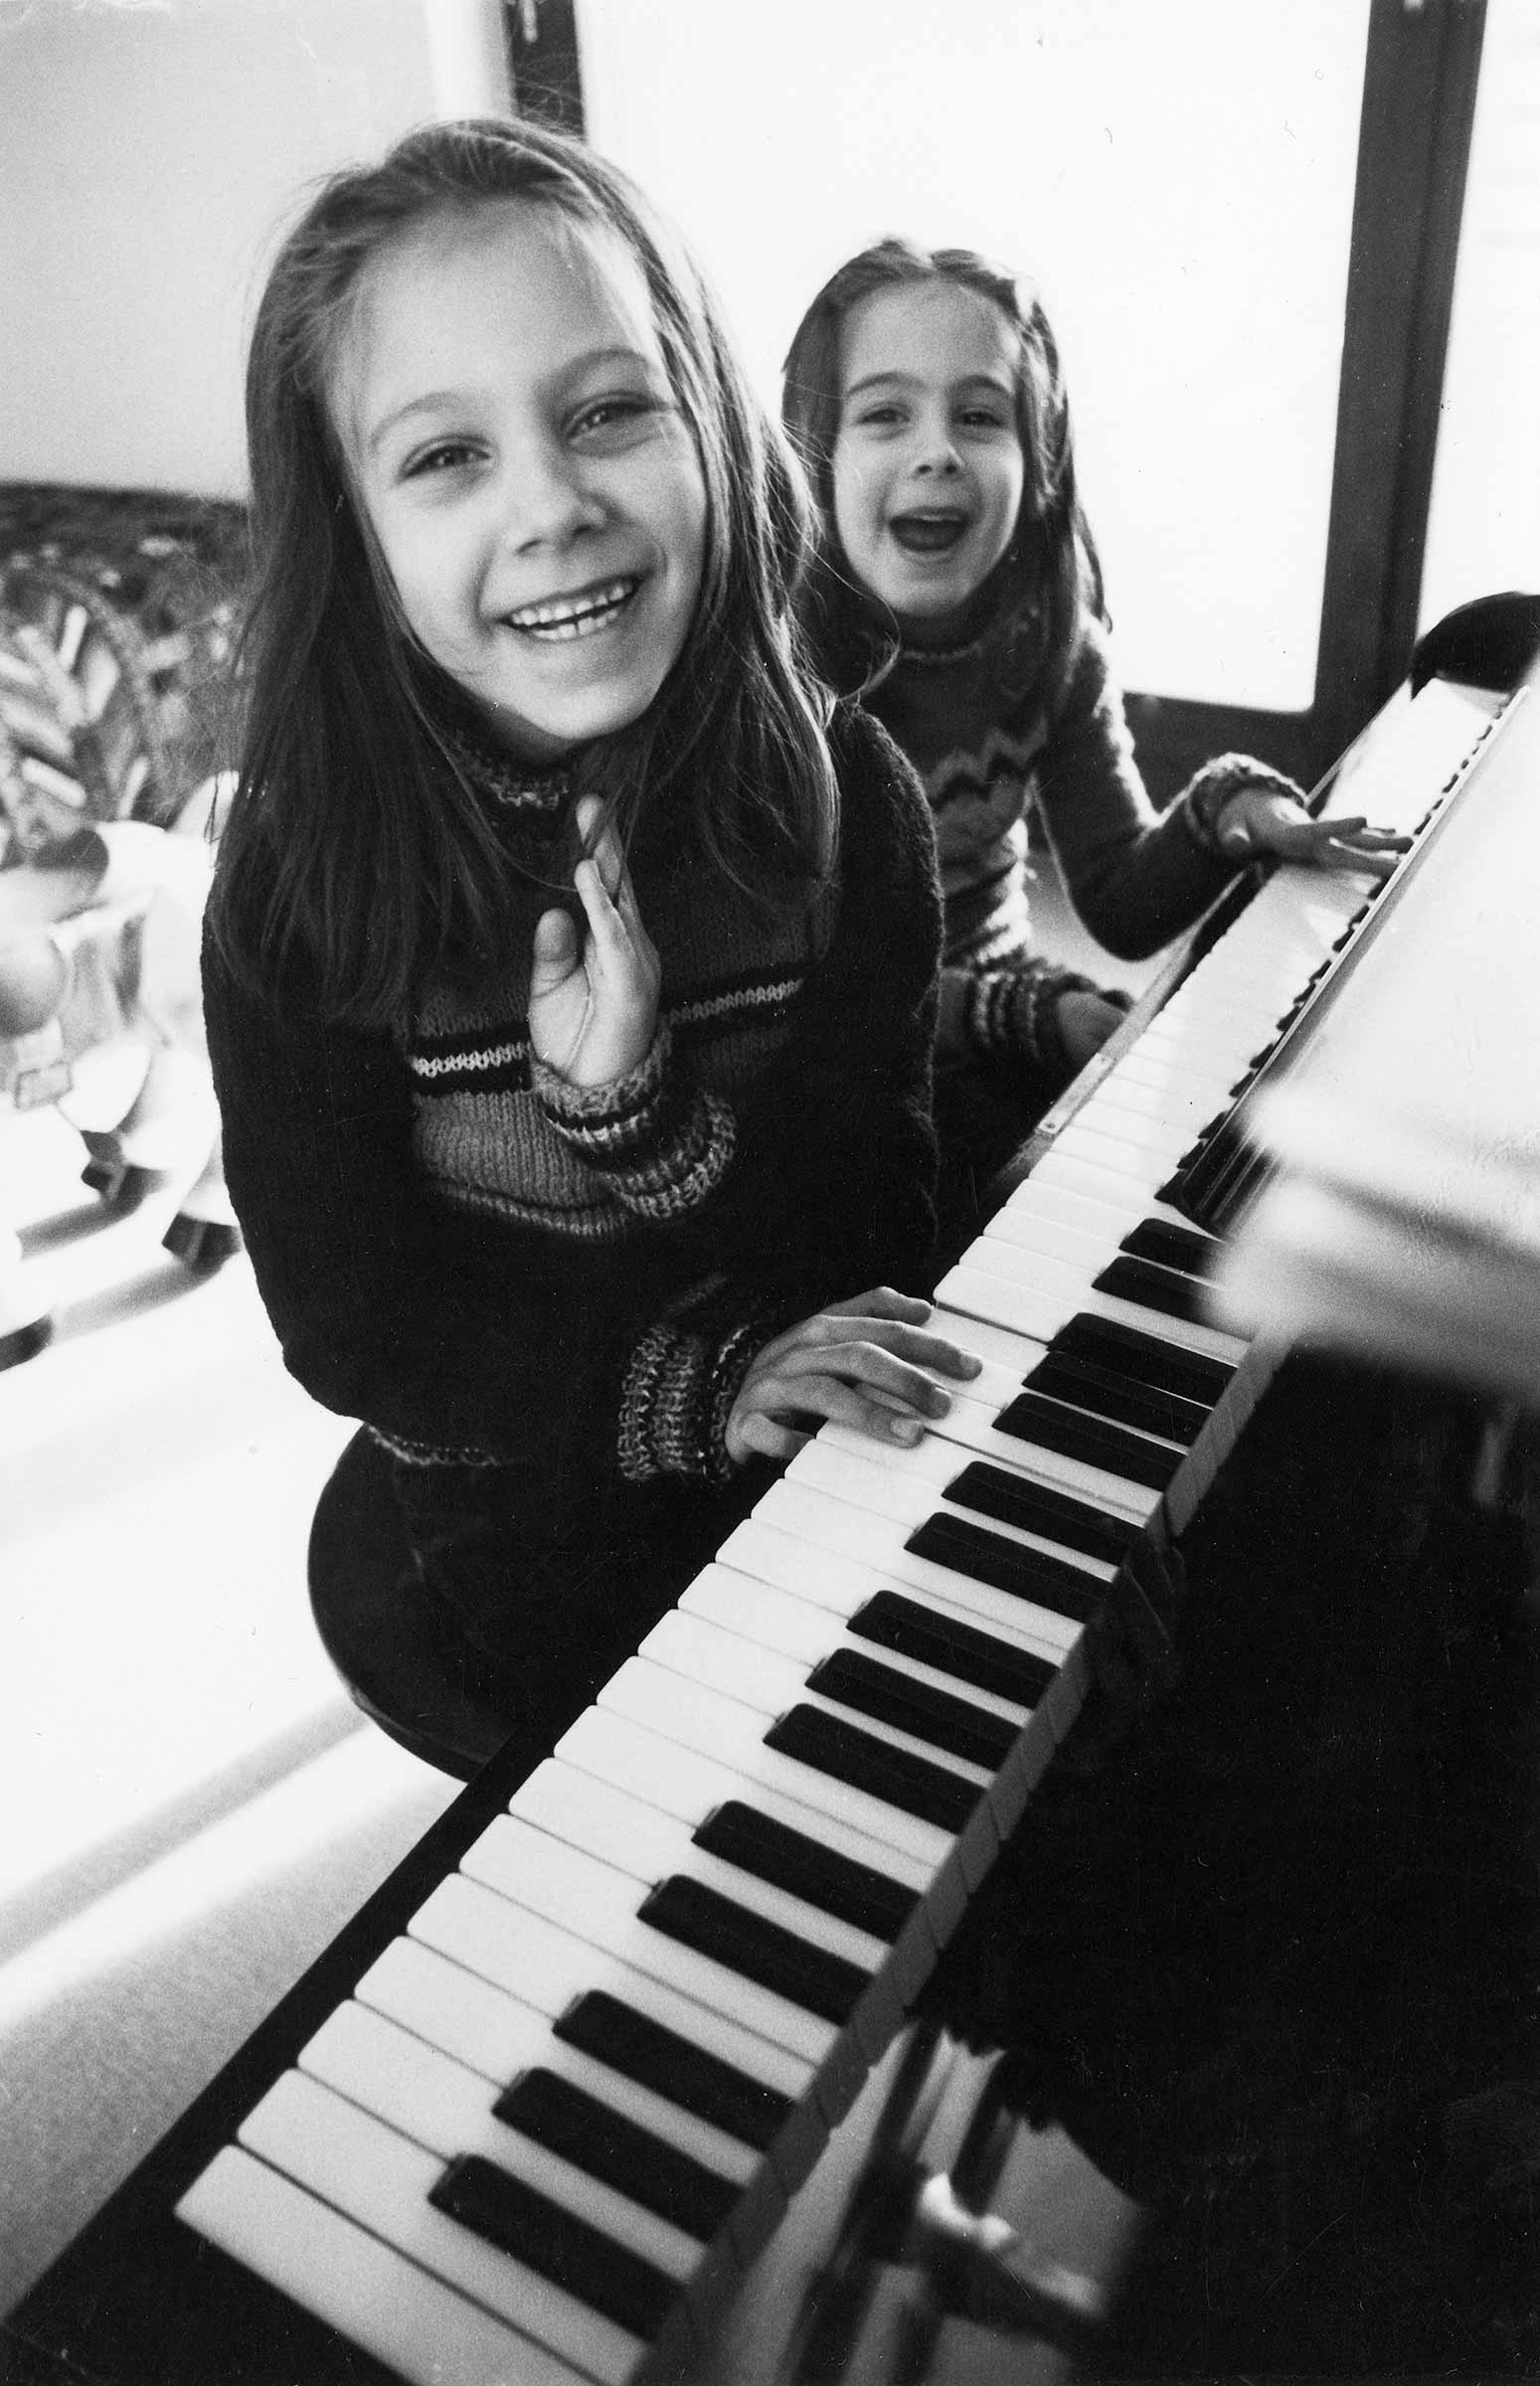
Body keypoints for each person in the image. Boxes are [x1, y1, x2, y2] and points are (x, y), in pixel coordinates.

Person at [201, 120, 983, 1773]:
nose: (553, 505)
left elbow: (865, 1222)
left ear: (707, 420)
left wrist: (642, 1123)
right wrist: (697, 1390)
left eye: (607, 410)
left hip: (797, 1411)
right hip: (516, 1491)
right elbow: (350, 1327)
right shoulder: (296, 878)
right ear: (353, 531)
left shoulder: (849, 800)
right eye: (442, 457)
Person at [781, 239, 1407, 1234]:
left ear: (1038, 462)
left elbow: (1117, 903)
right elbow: (808, 990)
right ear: (812, 453)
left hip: (989, 1019)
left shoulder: (1049, 647)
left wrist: (1229, 816)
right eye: (885, 414)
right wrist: (1027, 1018)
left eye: (980, 415)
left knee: (1196, 1176)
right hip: (831, 1068)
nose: (936, 449)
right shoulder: (780, 676)